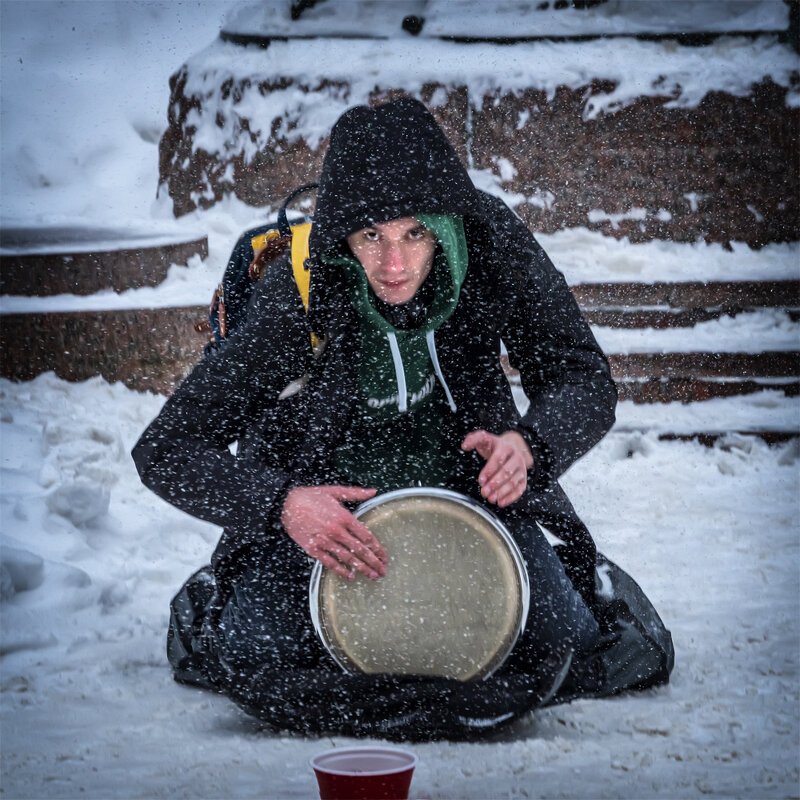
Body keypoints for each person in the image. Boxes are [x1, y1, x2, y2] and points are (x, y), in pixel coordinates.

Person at [133, 96, 672, 740]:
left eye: (415, 233)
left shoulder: (493, 246)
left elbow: (581, 378)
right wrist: (283, 504)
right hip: (328, 524)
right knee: (252, 654)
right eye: (371, 237)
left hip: (470, 501)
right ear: (344, 240)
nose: (394, 264)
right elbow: (165, 449)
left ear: (444, 226)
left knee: (570, 642)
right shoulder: (301, 289)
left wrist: (530, 445)